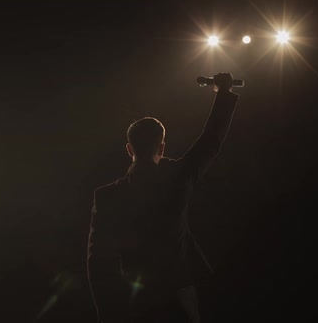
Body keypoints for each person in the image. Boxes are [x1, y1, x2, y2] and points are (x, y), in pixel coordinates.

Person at [87, 72, 239, 322]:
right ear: (163, 147)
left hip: (135, 304)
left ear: (129, 149)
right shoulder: (178, 177)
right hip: (179, 300)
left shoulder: (107, 196)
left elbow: (98, 263)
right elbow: (211, 140)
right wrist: (223, 93)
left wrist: (107, 315)